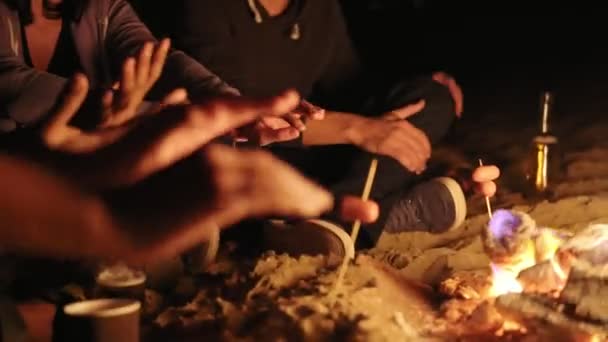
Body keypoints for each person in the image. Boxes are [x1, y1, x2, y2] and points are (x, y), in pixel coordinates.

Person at [0, 74, 380, 342]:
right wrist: (98, 220)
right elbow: (17, 88)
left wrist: (219, 109)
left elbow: (174, 65)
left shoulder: (100, 11)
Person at [171, 0, 498, 249]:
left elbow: (349, 88)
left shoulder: (316, 7)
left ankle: (337, 220)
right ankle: (376, 213)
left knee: (430, 97)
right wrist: (360, 129)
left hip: (313, 151)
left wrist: (414, 105)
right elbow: (231, 116)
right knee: (220, 155)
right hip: (250, 153)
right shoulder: (206, 9)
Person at [0, 0, 323, 146]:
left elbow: (160, 61)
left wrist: (237, 107)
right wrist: (157, 116)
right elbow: (16, 88)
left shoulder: (102, 8)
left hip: (76, 183)